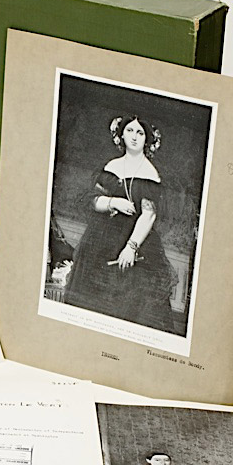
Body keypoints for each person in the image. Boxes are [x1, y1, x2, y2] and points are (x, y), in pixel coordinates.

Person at [63, 115, 178, 333]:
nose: (134, 137)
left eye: (140, 133)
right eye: (130, 131)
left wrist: (131, 247)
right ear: (121, 135)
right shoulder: (112, 166)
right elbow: (92, 200)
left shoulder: (150, 173)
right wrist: (113, 202)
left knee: (131, 305)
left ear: (147, 139)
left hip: (135, 240)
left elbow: (149, 215)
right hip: (99, 241)